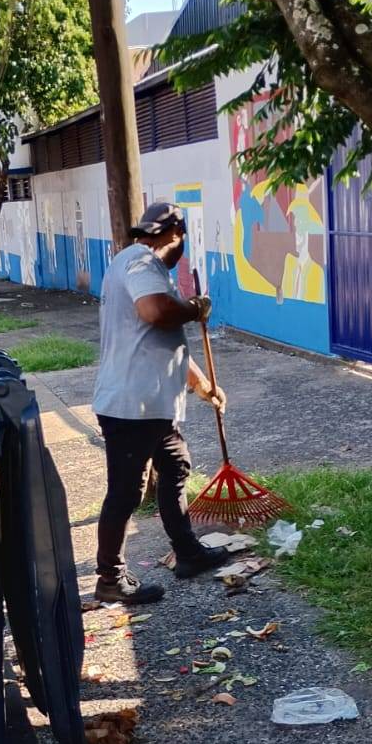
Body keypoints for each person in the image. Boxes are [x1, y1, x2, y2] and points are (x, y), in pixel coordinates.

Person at [92, 202, 231, 605]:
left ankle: (187, 552)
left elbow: (163, 343)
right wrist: (194, 308)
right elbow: (155, 313)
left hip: (149, 407)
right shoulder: (141, 262)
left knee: (175, 466)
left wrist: (203, 385)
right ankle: (110, 578)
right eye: (181, 240)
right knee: (126, 492)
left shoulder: (137, 266)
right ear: (175, 234)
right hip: (132, 406)